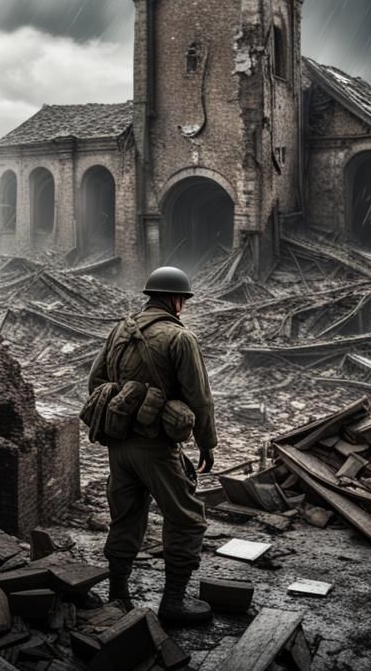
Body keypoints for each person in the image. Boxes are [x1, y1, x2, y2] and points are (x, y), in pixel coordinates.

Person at [86, 265, 217, 624]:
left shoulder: (120, 329)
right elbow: (200, 398)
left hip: (119, 445)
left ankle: (118, 596)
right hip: (156, 448)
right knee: (186, 518)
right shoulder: (180, 338)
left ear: (150, 296)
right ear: (177, 300)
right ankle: (173, 602)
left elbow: (96, 380)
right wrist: (207, 443)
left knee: (126, 516)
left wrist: (126, 406)